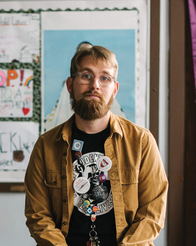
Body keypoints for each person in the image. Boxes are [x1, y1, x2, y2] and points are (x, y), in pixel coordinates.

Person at [25, 45, 168, 246]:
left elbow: (152, 215)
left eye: (105, 78)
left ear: (115, 89)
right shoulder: (46, 146)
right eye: (86, 75)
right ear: (70, 84)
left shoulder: (141, 142)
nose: (95, 85)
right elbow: (38, 217)